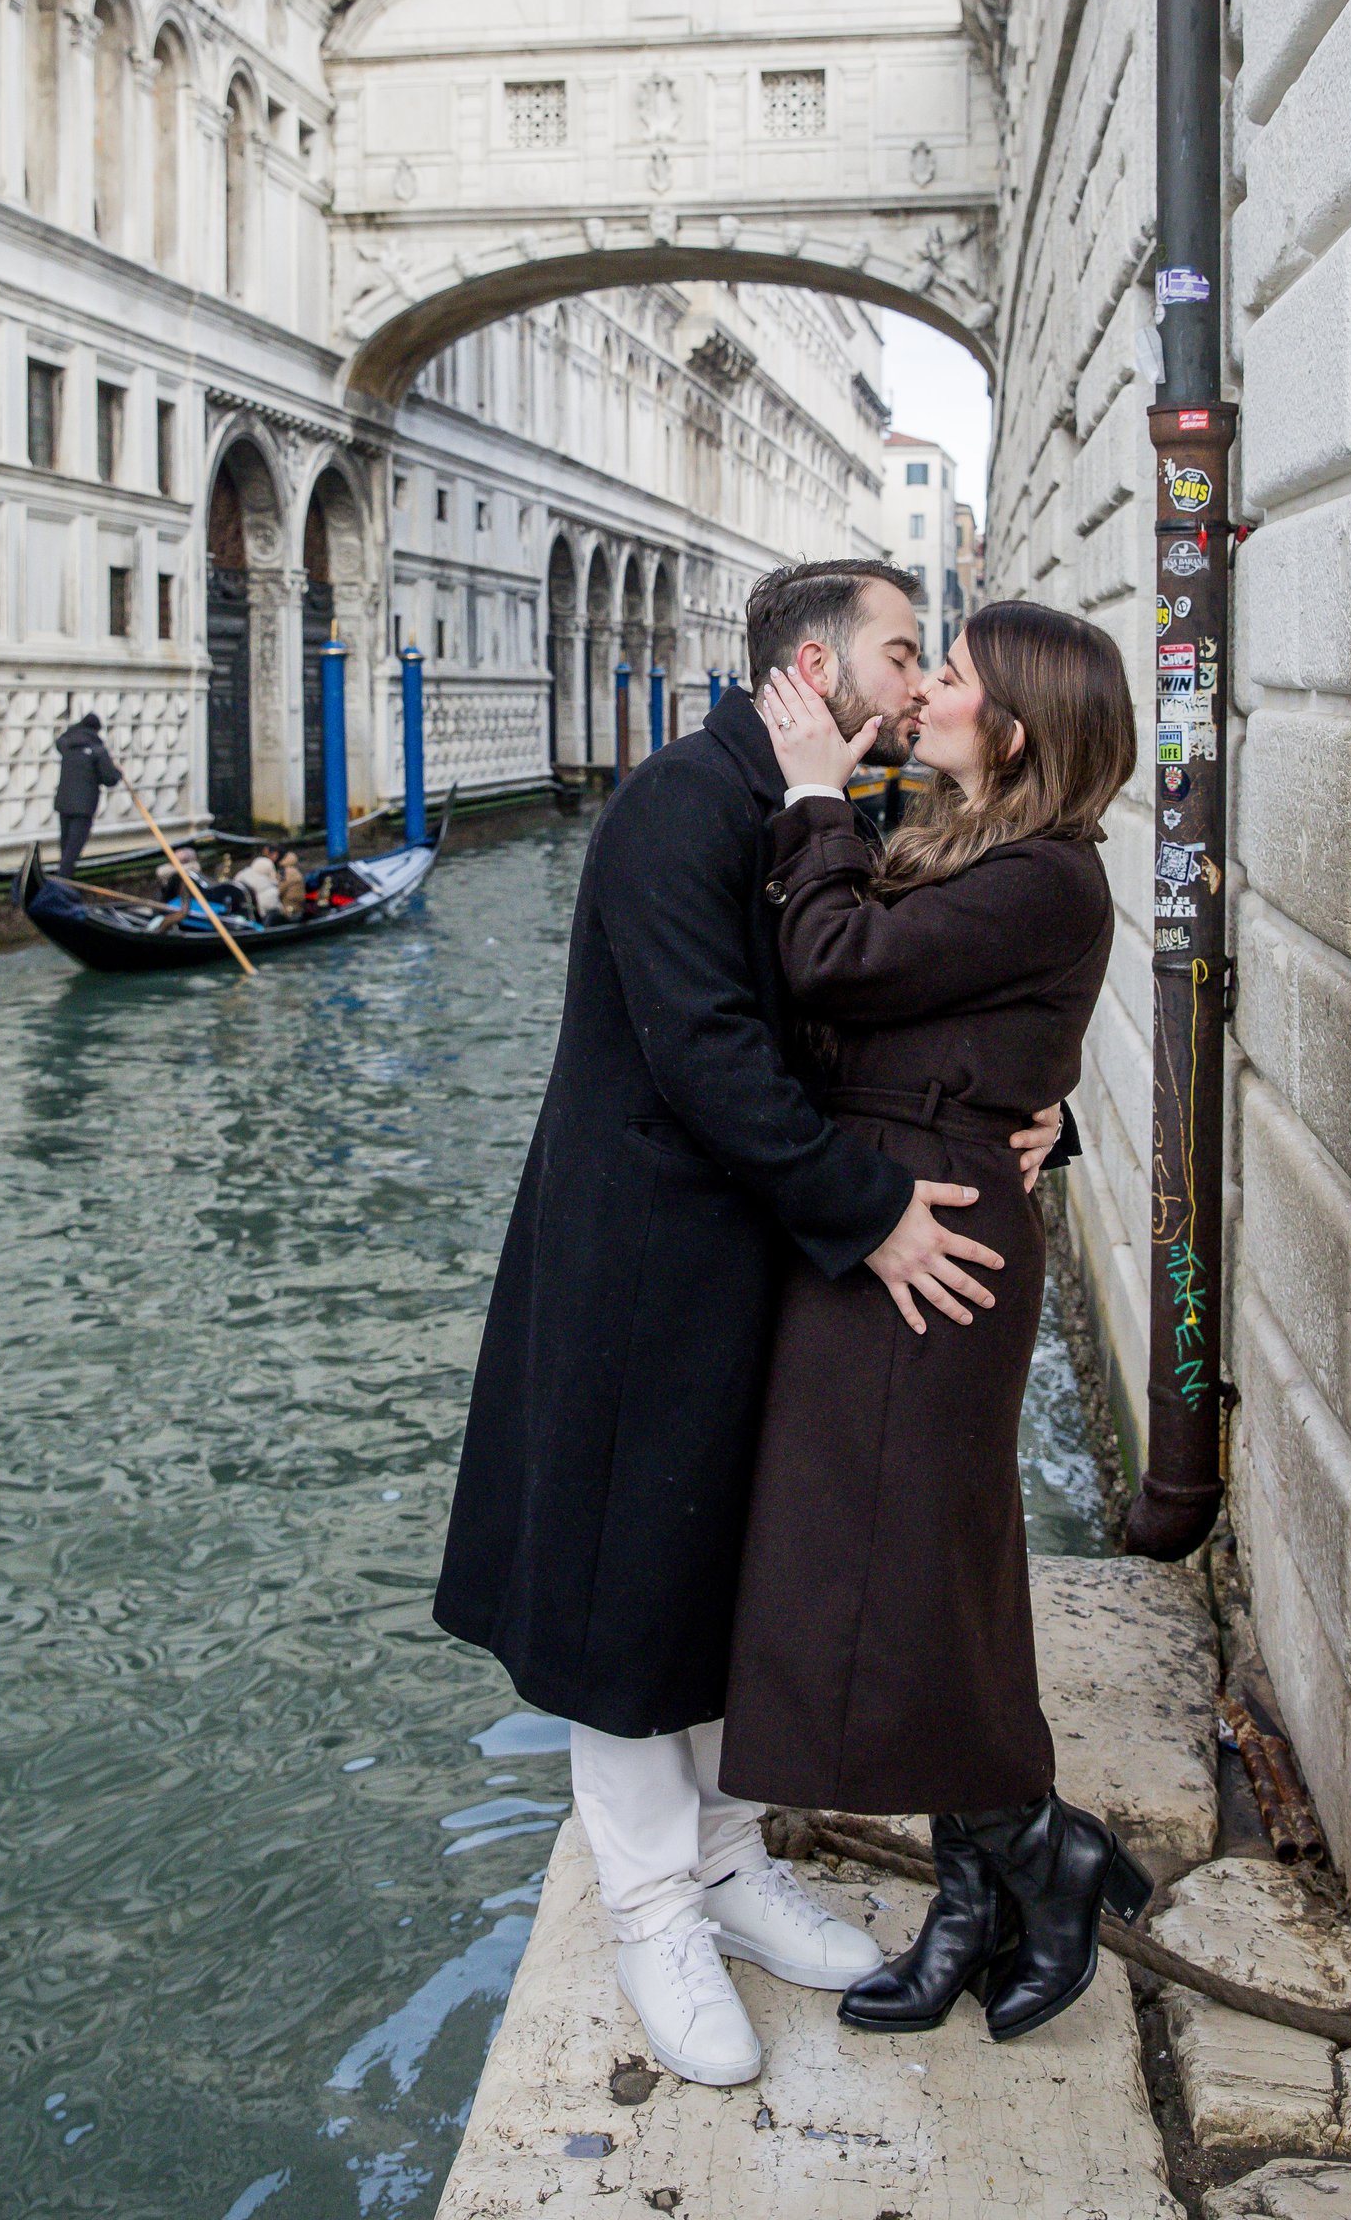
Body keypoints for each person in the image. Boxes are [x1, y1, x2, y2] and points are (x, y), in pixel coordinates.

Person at [434, 562, 1066, 2090]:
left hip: (759, 1267)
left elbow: (898, 1013)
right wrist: (874, 1212)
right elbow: (714, 1059)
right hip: (641, 1270)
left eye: (930, 663)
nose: (921, 687)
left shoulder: (826, 805)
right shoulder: (675, 805)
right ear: (812, 661)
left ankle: (725, 1863)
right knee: (622, 1588)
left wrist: (1032, 1120)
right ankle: (652, 1905)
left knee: (719, 1571)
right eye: (905, 654)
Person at [718, 601, 1150, 2047]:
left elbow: (837, 964)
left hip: (936, 1245)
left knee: (912, 1561)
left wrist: (811, 800)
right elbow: (945, 1027)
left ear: (1013, 729)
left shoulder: (1042, 874)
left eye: (950, 675)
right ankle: (981, 1893)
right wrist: (1047, 1118)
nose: (930, 689)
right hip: (908, 1216)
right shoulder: (970, 846)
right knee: (924, 1560)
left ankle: (1035, 1850)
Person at [53, 711, 121, 881]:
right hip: (83, 808)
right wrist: (119, 773)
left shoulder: (67, 745)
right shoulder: (98, 750)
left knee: (65, 847)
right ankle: (63, 885)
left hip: (64, 804)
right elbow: (109, 779)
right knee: (73, 851)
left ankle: (64, 882)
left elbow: (61, 739)